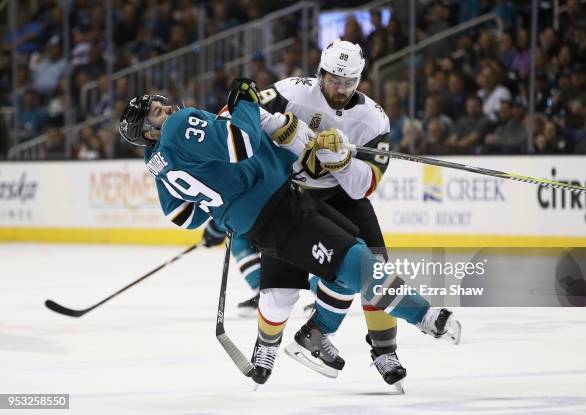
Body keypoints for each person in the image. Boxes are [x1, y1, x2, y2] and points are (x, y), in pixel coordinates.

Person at [118, 78, 461, 388]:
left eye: (158, 104)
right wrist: (245, 103)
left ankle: (311, 333)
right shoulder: (178, 125)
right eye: (154, 114)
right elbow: (240, 144)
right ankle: (425, 317)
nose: (163, 109)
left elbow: (183, 215)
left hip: (274, 207)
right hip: (277, 213)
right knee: (357, 265)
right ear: (149, 133)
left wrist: (221, 200)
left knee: (349, 260)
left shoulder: (155, 161)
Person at [253, 39, 409, 388]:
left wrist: (340, 161)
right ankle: (266, 345)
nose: (340, 88)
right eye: (333, 79)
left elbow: (362, 187)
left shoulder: (373, 119)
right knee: (280, 290)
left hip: (342, 197)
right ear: (320, 72)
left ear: (359, 80)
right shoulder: (291, 91)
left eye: (348, 82)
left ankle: (384, 351)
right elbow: (243, 112)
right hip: (291, 196)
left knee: (377, 269)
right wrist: (274, 125)